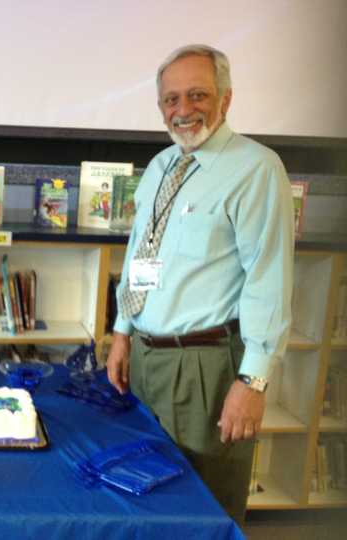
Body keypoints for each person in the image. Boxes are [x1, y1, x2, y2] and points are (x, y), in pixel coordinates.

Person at [106, 44, 294, 524]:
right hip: (147, 360)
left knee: (204, 508)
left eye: (197, 95)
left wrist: (253, 381)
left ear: (226, 98)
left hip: (206, 367)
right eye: (171, 99)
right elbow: (138, 254)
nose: (183, 110)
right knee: (147, 497)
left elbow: (267, 277)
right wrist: (123, 332)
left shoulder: (256, 168)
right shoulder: (161, 167)